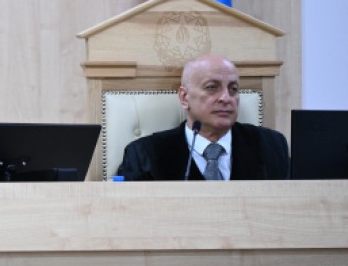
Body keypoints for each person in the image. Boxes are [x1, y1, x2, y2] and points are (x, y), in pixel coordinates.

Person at [117, 53, 289, 181]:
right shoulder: (145, 154)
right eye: (212, 87)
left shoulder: (271, 146)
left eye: (233, 89)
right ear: (184, 98)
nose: (226, 98)